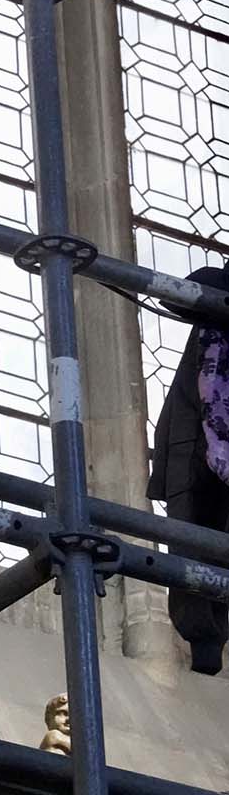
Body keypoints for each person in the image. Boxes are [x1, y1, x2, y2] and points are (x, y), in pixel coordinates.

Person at [148, 263, 229, 675]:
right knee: (192, 538)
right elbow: (181, 294)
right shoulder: (217, 297)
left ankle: (211, 637)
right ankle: (204, 639)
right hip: (194, 444)